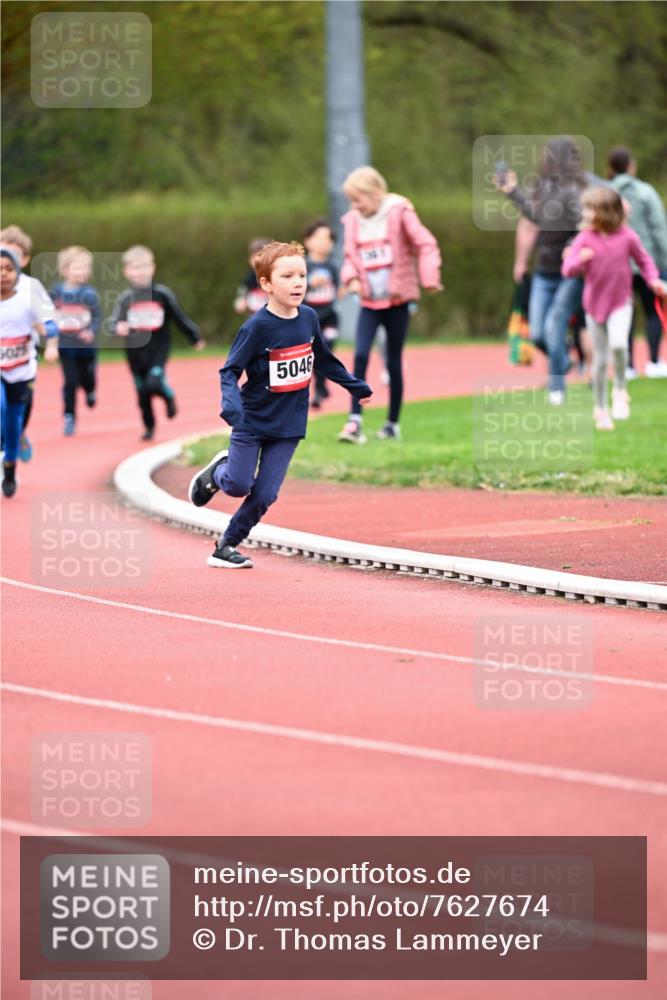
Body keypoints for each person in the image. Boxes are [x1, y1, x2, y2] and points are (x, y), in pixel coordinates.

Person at [188, 240, 372, 569]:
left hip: (289, 424)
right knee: (238, 485)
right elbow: (229, 370)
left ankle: (226, 544)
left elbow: (324, 360)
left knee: (265, 494)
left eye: (302, 275)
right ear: (266, 284)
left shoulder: (309, 318)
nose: (298, 283)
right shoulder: (256, 327)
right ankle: (218, 473)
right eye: (287, 276)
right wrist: (231, 404)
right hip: (252, 420)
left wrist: (354, 386)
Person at [337, 166, 442, 443]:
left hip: (397, 302)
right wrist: (352, 279)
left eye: (358, 199)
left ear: (375, 193)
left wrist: (429, 278)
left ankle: (392, 424)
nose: (355, 206)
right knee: (360, 355)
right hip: (370, 302)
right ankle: (354, 420)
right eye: (351, 200)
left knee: (393, 362)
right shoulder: (353, 221)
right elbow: (349, 257)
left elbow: (426, 244)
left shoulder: (399, 212)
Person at [561, 186, 664, 430]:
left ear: (606, 212)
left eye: (589, 208)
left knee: (619, 344)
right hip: (594, 306)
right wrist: (578, 260)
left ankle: (619, 389)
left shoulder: (628, 237)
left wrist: (654, 280)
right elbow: (567, 270)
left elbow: (645, 262)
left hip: (621, 302)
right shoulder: (584, 238)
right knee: (599, 361)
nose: (584, 213)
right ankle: (600, 408)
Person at [496, 136, 589, 405]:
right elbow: (536, 217)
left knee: (554, 326)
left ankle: (557, 389)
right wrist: (512, 191)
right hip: (544, 271)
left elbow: (584, 226)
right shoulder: (542, 187)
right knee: (538, 333)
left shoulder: (577, 189)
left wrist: (572, 245)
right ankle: (564, 359)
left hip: (569, 273)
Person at [109, 245, 206, 440]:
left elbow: (179, 317)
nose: (139, 273)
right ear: (126, 271)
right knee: (142, 393)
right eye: (134, 268)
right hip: (135, 354)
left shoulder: (162, 294)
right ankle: (149, 427)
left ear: (152, 268)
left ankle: (168, 395)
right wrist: (116, 328)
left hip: (158, 350)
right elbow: (113, 321)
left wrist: (194, 337)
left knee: (153, 383)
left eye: (144, 267)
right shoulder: (126, 298)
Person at [1, 248, 58, 496]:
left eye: (9, 269)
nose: (3, 274)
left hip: (21, 370)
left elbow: (50, 324)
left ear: (17, 272)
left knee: (14, 422)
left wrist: (48, 335)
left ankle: (10, 466)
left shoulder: (27, 297)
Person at [608, 146, 667, 377]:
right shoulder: (645, 192)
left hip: (617, 265)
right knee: (653, 312)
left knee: (625, 314)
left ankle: (628, 366)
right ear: (630, 166)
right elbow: (659, 229)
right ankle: (654, 362)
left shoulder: (605, 193)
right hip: (647, 263)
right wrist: (664, 260)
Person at [50, 246, 101, 436]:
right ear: (65, 270)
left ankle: (90, 391)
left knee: (88, 378)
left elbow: (97, 317)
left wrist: (90, 331)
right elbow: (49, 317)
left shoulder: (90, 294)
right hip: (66, 347)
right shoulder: (56, 293)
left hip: (86, 347)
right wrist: (51, 342)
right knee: (70, 382)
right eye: (77, 268)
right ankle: (69, 416)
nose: (82, 272)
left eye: (85, 268)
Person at [302, 219, 340, 408]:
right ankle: (318, 388)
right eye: (319, 237)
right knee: (310, 355)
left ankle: (320, 387)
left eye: (328, 239)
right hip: (308, 319)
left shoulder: (333, 267)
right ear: (307, 240)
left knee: (326, 351)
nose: (324, 242)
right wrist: (310, 284)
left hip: (329, 317)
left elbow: (338, 290)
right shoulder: (302, 266)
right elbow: (293, 290)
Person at [233, 237, 272, 316]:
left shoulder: (274, 276)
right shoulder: (250, 277)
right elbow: (243, 291)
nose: (258, 260)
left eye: (262, 257)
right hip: (254, 314)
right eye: (254, 257)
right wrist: (241, 301)